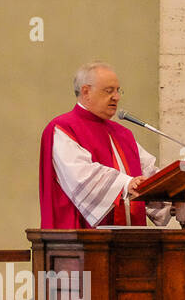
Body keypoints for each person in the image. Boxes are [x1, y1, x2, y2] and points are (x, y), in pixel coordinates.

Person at [39, 61, 172, 228]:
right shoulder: (63, 128)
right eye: (109, 91)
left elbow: (149, 174)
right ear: (86, 92)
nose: (117, 97)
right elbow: (81, 177)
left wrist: (173, 192)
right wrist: (125, 184)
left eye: (117, 91)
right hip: (80, 241)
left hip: (133, 241)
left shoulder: (123, 134)